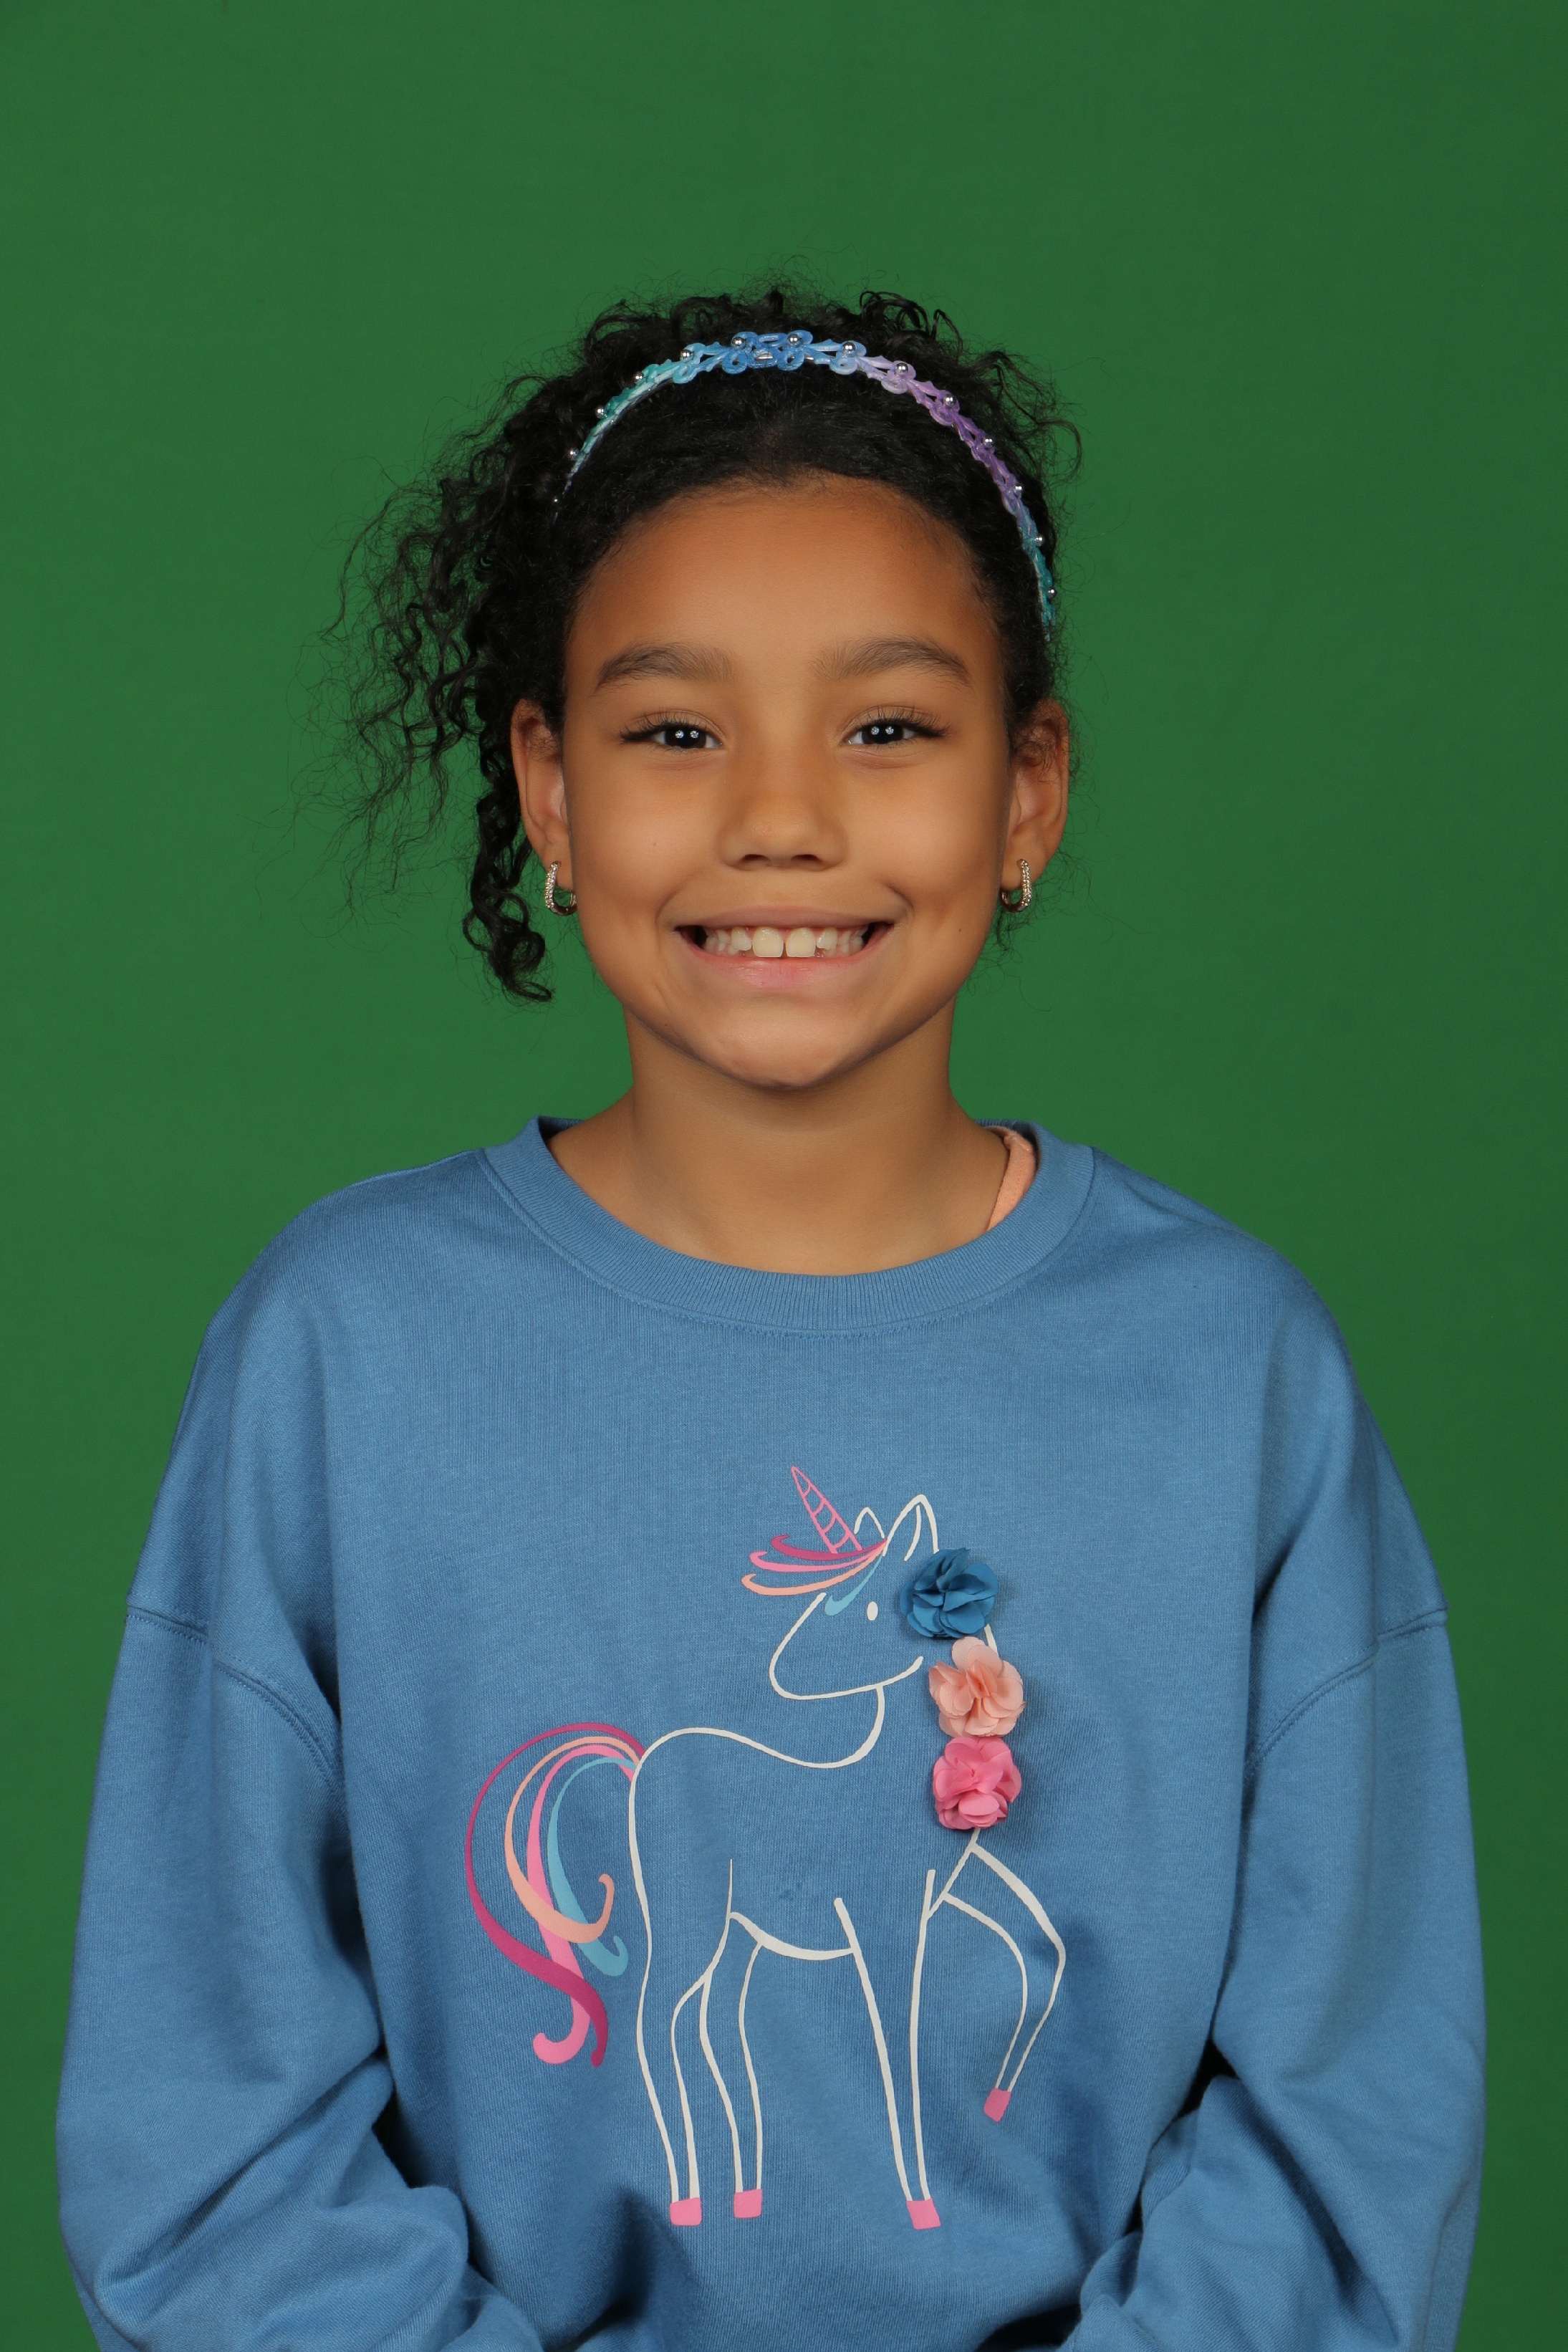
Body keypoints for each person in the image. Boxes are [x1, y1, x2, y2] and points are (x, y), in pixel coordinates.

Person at [57, 289, 1485, 2351]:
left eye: (889, 727)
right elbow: (206, 2143)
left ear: (1028, 791)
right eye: (674, 730)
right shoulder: (340, 1355)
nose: (782, 815)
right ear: (549, 791)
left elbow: (1349, 2126)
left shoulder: (1237, 1377)